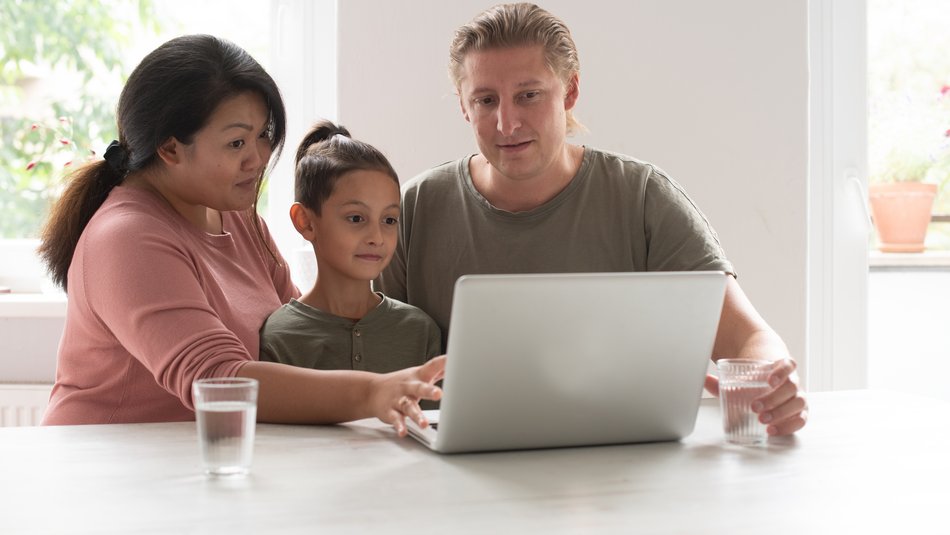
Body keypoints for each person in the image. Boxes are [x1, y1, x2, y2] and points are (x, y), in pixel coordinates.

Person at [377, 3, 807, 436]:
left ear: (569, 92)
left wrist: (773, 381)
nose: (507, 123)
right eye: (486, 100)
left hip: (621, 461)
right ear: (464, 108)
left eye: (529, 95)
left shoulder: (642, 198)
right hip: (451, 471)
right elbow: (356, 348)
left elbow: (750, 337)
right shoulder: (413, 208)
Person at [38, 34, 442, 436]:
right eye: (236, 142)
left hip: (195, 468)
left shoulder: (239, 221)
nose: (260, 157)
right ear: (170, 148)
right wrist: (374, 392)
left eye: (262, 135)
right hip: (103, 474)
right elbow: (216, 381)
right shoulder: (126, 237)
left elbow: (295, 331)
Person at [259, 121, 441, 405]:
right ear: (305, 222)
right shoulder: (280, 336)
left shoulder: (420, 331)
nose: (377, 237)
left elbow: (433, 431)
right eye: (356, 218)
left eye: (389, 220)